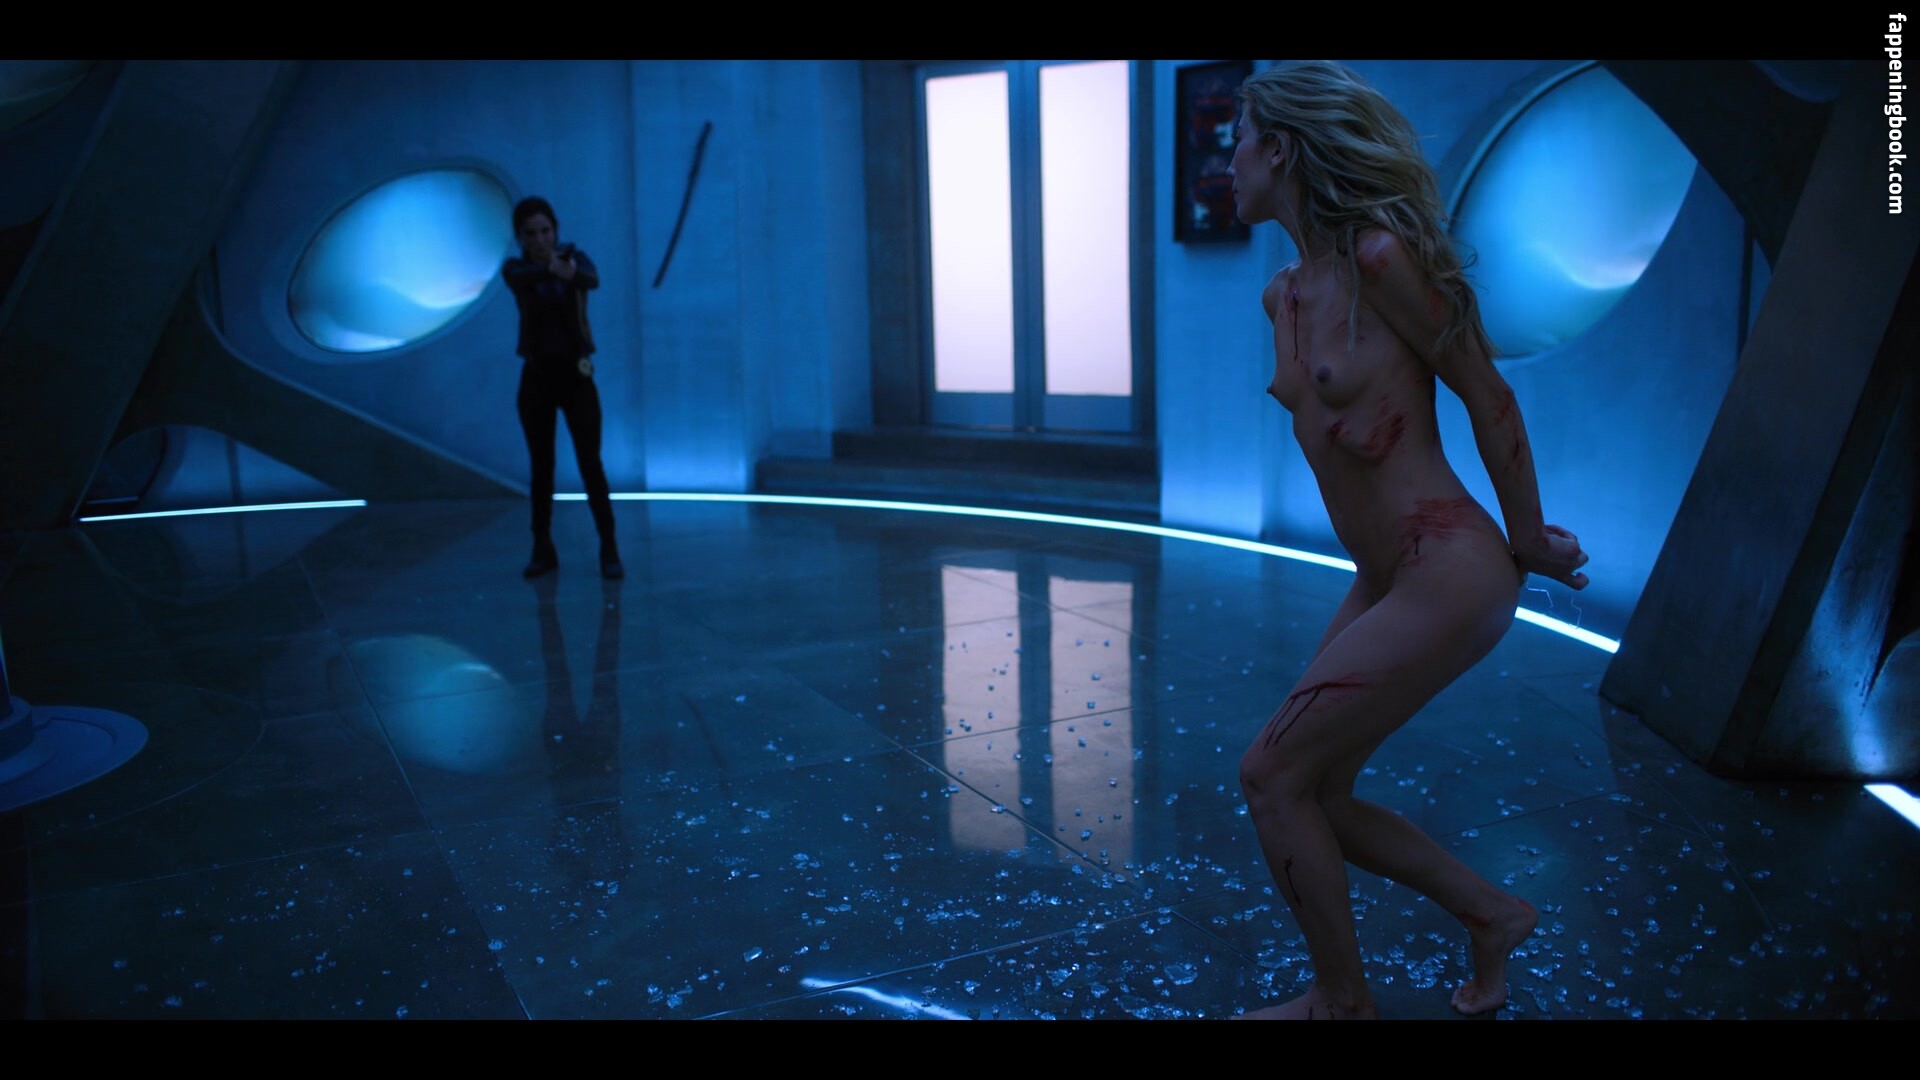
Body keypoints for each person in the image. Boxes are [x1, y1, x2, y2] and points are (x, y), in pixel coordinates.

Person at [1225, 61, 1590, 1019]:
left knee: (1271, 773)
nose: (1229, 162)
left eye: (1239, 140)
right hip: (1385, 575)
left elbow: (1486, 391)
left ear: (1281, 150)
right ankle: (1492, 914)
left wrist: (1529, 536)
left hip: (1449, 568)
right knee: (1318, 790)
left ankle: (1342, 1001)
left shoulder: (1381, 261)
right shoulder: (1282, 296)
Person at [503, 196, 622, 580]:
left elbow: (592, 278)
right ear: (520, 237)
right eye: (531, 233)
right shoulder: (516, 268)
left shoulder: (575, 258)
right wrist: (553, 269)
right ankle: (542, 547)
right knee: (542, 467)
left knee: (591, 463)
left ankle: (609, 546)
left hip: (576, 375)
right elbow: (521, 279)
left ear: (555, 230)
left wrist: (567, 271)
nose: (540, 239)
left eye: (545, 231)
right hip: (537, 376)